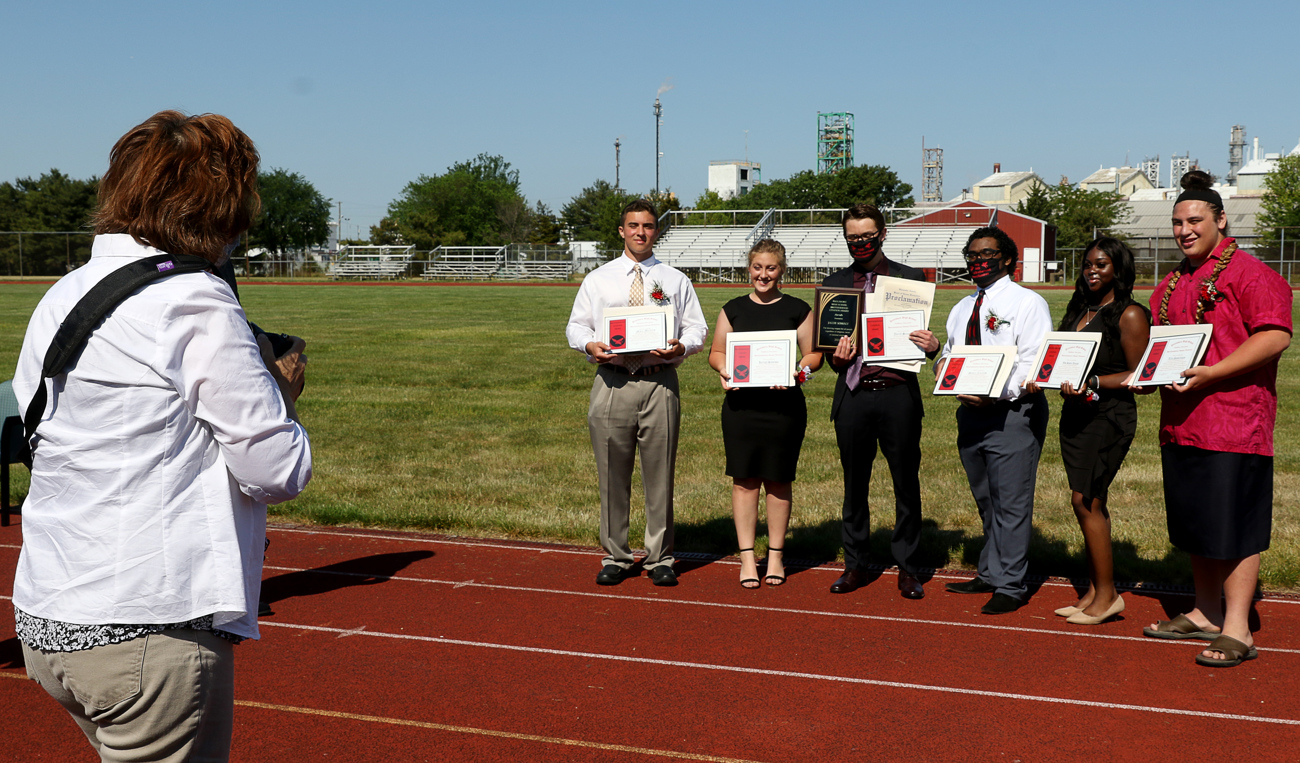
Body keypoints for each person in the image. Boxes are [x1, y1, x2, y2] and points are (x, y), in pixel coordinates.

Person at [11, 110, 312, 762]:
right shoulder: (194, 298)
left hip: (50, 613)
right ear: (221, 203)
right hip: (148, 629)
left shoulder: (65, 293)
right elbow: (274, 468)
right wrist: (284, 390)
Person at [1136, 170, 1291, 667]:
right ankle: (1204, 611)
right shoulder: (1173, 282)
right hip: (1182, 422)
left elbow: (1275, 336)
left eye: (1195, 220)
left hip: (1234, 421)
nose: (1185, 230)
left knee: (1237, 527)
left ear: (1220, 220)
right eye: (1178, 222)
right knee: (1197, 524)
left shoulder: (1250, 274)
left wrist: (1213, 373)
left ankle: (1239, 629)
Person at [565, 199, 707, 587]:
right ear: (621, 231)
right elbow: (576, 327)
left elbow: (698, 328)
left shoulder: (675, 280)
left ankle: (660, 557)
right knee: (612, 474)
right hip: (611, 381)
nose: (640, 232)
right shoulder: (599, 279)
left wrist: (681, 346)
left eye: (647, 226)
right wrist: (589, 345)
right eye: (633, 226)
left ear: (655, 231)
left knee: (660, 475)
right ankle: (617, 555)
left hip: (659, 381)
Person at [1024, 238, 1149, 625]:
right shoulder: (1081, 307)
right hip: (1076, 415)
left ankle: (1109, 596)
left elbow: (1140, 375)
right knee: (1085, 500)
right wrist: (1040, 377)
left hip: (1109, 416)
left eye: (1103, 265)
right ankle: (1095, 590)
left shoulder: (1129, 314)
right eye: (1088, 264)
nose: (1093, 271)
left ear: (1119, 270)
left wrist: (1092, 381)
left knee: (1087, 500)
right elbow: (1060, 359)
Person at [822, 203, 939, 600]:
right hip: (853, 394)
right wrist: (833, 357)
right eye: (852, 237)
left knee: (905, 483)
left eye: (866, 236)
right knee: (854, 485)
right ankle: (855, 565)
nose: (859, 243)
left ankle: (908, 567)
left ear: (883, 234)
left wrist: (932, 346)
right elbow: (825, 352)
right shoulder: (835, 283)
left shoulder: (910, 280)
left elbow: (921, 340)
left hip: (898, 395)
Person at [939, 226, 1052, 614]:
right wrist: (947, 375)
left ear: (1006, 258)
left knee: (1012, 501)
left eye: (986, 254)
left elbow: (1032, 361)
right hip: (970, 414)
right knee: (987, 498)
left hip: (1011, 413)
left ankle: (1011, 584)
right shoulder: (960, 308)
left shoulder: (1027, 303)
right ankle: (989, 570)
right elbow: (950, 355)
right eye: (971, 256)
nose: (978, 262)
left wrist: (995, 392)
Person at [708, 239, 823, 588]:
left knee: (778, 480)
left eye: (771, 268)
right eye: (758, 267)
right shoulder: (733, 309)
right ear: (749, 269)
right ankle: (746, 559)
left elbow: (813, 356)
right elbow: (716, 352)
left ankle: (775, 556)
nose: (764, 274)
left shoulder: (799, 309)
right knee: (744, 481)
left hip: (783, 408)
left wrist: (795, 374)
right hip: (742, 408)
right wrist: (725, 370)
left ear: (782, 270)